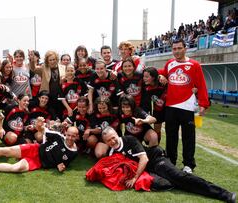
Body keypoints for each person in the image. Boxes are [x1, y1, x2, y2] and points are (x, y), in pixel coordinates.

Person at [101, 126, 236, 203]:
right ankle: (180, 182)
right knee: (163, 184)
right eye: (108, 140)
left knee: (180, 177)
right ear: (105, 142)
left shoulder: (129, 139)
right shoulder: (111, 152)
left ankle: (224, 194)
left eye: (113, 137)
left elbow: (144, 159)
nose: (112, 141)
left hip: (155, 160)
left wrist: (135, 178)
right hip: (148, 171)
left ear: (117, 134)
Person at [159, 38, 210, 173]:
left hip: (187, 106)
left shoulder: (194, 65)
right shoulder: (169, 63)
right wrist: (161, 77)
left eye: (179, 48)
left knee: (188, 137)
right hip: (170, 106)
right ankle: (171, 161)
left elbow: (201, 85)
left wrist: (204, 104)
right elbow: (162, 75)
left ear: (185, 49)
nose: (176, 51)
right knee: (171, 136)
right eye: (174, 49)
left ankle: (188, 164)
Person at [0, 119, 79, 173]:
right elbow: (42, 130)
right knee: (7, 150)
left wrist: (61, 168)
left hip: (39, 163)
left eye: (72, 136)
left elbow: (63, 164)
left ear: (76, 137)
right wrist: (39, 125)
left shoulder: (73, 152)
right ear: (65, 133)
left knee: (16, 168)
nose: (69, 138)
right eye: (68, 135)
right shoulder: (59, 136)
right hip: (34, 149)